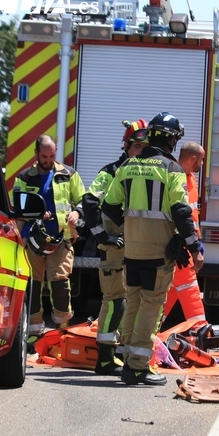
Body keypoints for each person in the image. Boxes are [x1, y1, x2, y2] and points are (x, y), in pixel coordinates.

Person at [102, 112, 203, 386]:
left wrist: (130, 227)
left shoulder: (127, 166)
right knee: (151, 306)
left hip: (131, 250)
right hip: (159, 252)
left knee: (133, 301)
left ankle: (126, 357)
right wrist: (194, 246)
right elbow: (182, 212)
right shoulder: (172, 170)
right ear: (170, 140)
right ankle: (136, 368)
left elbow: (109, 207)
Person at [80, 119, 148, 375]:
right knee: (115, 300)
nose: (141, 151)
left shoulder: (144, 173)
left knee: (137, 300)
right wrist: (102, 236)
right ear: (127, 146)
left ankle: (123, 351)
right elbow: (89, 201)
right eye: (137, 146)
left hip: (139, 248)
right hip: (116, 247)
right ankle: (106, 358)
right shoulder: (110, 172)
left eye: (145, 147)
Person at [14, 135, 85, 336]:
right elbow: (18, 205)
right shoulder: (24, 177)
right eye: (44, 156)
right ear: (36, 154)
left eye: (52, 155)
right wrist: (36, 213)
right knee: (34, 285)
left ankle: (63, 330)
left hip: (61, 238)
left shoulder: (69, 175)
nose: (48, 159)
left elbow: (83, 199)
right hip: (33, 240)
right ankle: (34, 332)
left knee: (61, 283)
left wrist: (76, 213)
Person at [161, 141, 207, 329]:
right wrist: (193, 246)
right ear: (193, 158)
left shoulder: (190, 179)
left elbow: (192, 215)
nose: (202, 165)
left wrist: (197, 240)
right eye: (201, 160)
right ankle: (201, 332)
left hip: (186, 244)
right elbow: (180, 216)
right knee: (189, 289)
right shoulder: (176, 177)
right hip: (179, 247)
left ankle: (147, 330)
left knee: (170, 291)